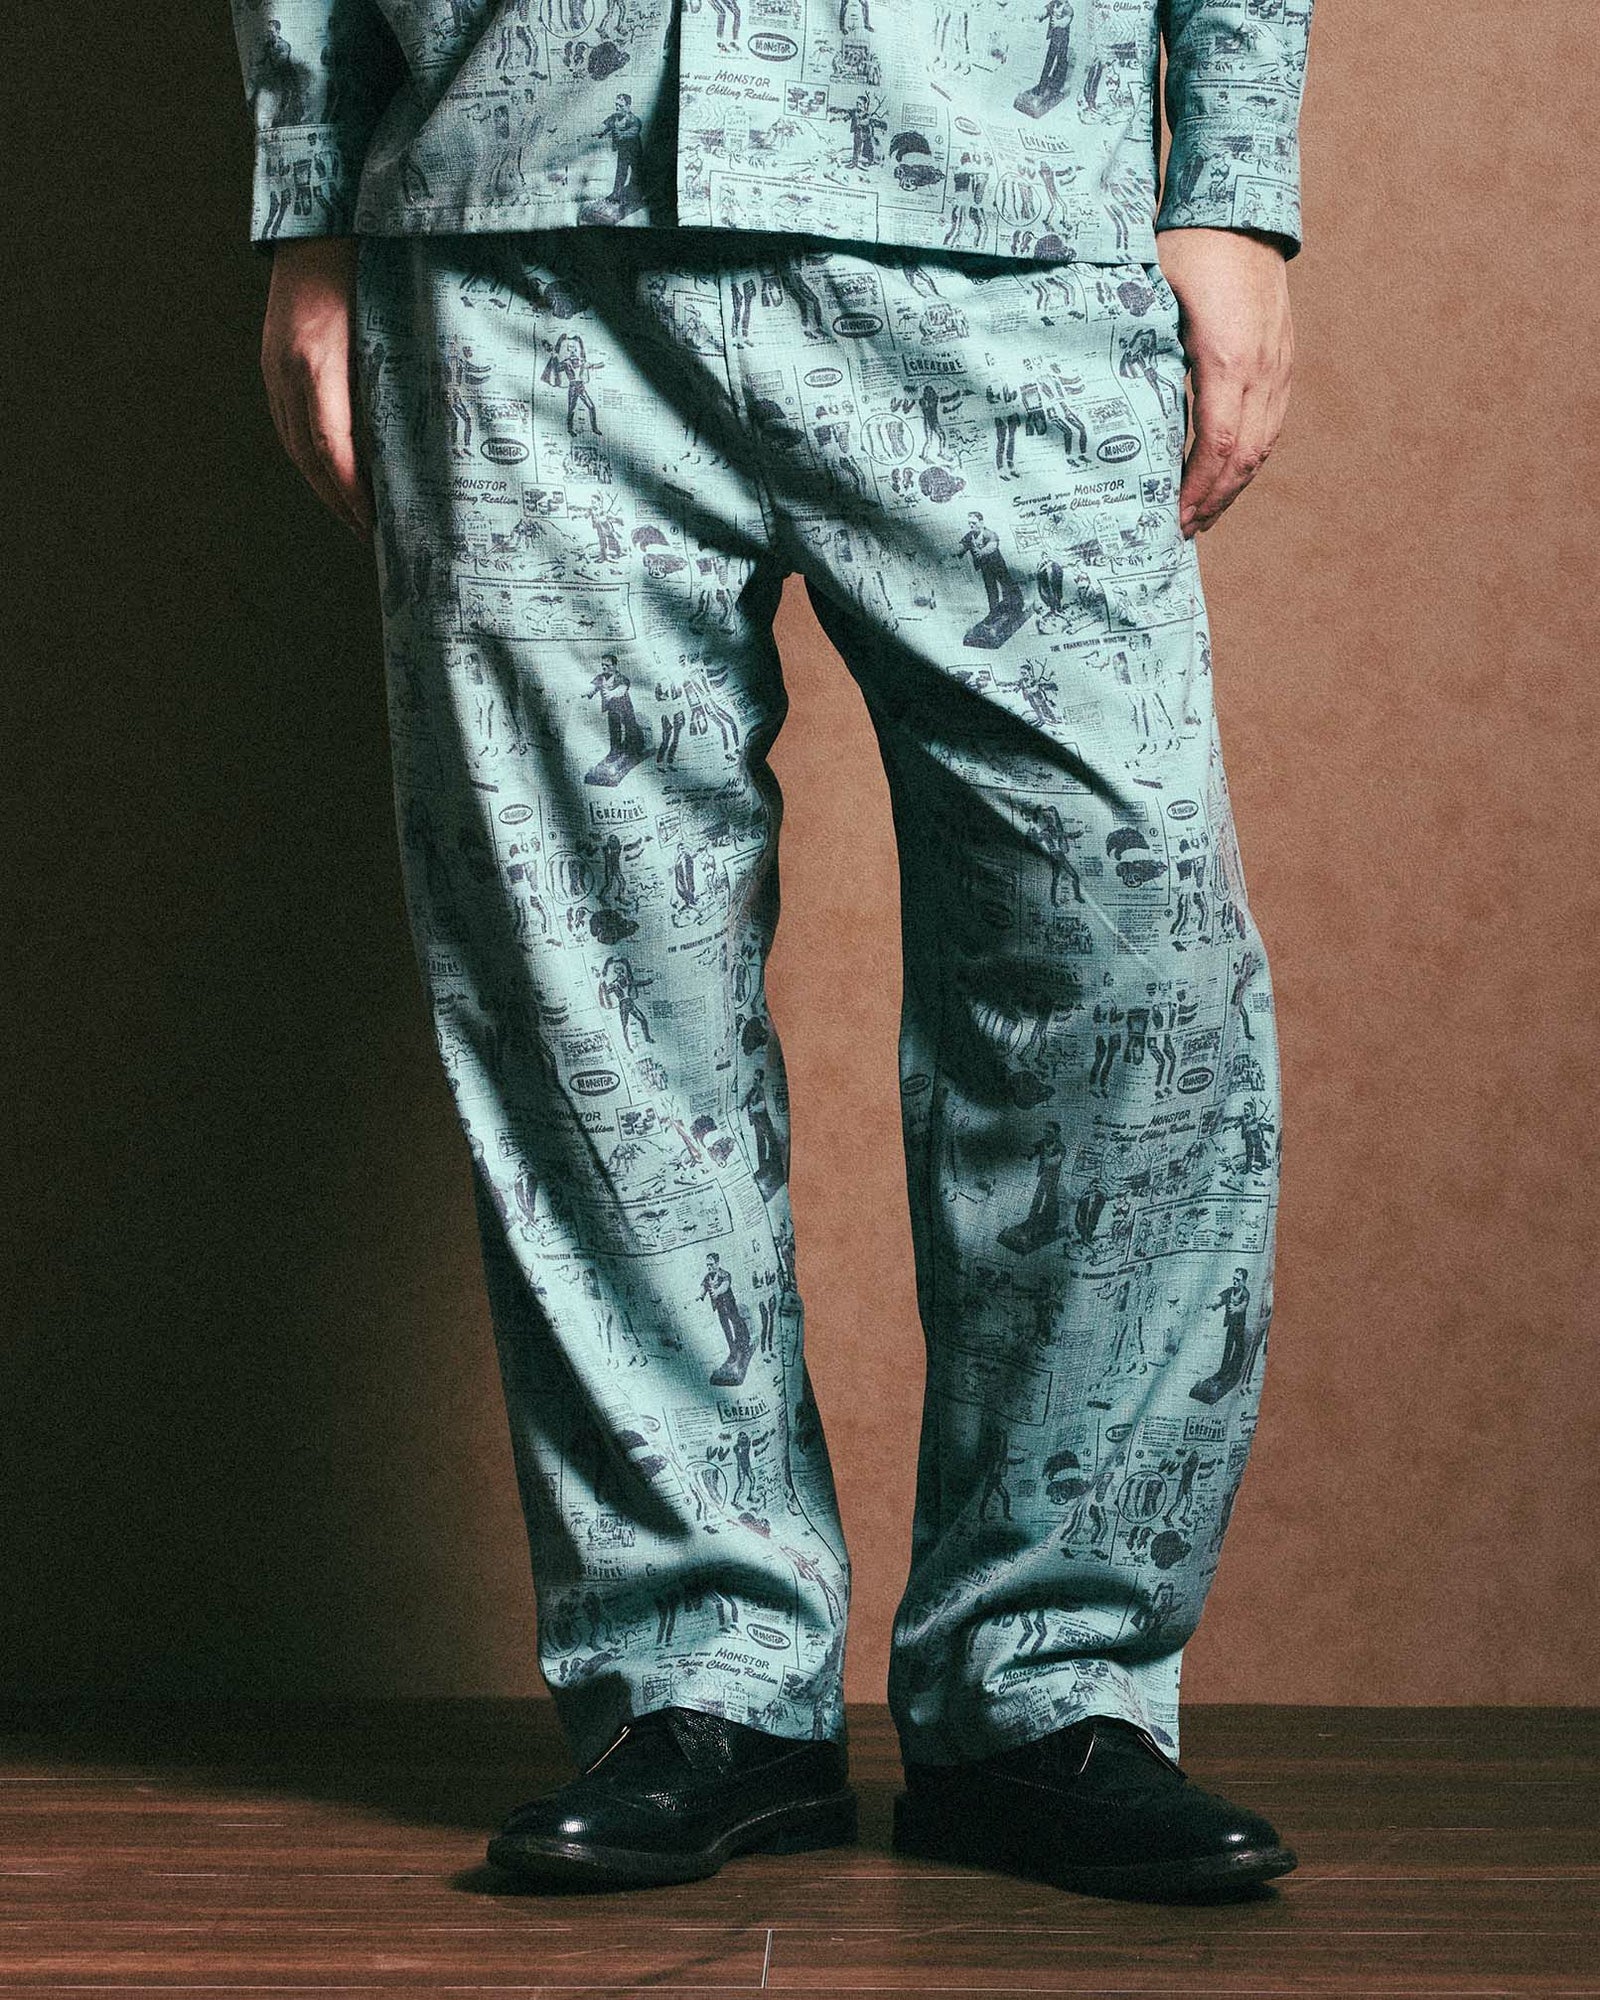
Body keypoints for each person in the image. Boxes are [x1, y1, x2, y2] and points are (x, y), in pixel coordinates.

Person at [230, 0, 1312, 1903]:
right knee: (589, 1001)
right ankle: (699, 1677)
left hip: (999, 212)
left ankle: (1051, 1687)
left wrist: (1230, 188)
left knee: (1127, 967)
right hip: (517, 221)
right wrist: (314, 200)